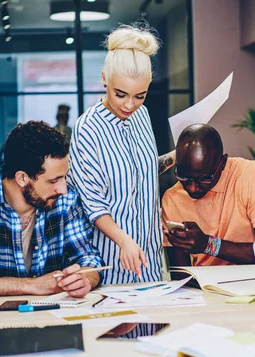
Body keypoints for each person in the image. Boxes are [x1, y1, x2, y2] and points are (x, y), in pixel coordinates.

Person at [0, 121, 104, 298]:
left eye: (64, 177)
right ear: (22, 178)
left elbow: (88, 258)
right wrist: (31, 286)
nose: (63, 189)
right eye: (54, 181)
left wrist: (86, 278)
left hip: (53, 319)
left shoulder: (65, 200)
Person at [68, 24, 175, 285]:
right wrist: (124, 240)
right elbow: (91, 202)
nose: (130, 105)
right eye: (121, 94)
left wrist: (176, 155)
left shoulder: (142, 115)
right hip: (111, 259)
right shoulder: (87, 128)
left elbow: (142, 171)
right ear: (105, 78)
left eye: (140, 95)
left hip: (150, 256)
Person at [161, 124, 255, 266]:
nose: (192, 188)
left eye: (204, 179)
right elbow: (181, 275)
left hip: (253, 282)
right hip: (204, 286)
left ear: (222, 164)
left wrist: (208, 245)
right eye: (183, 177)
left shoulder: (250, 176)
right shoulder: (172, 199)